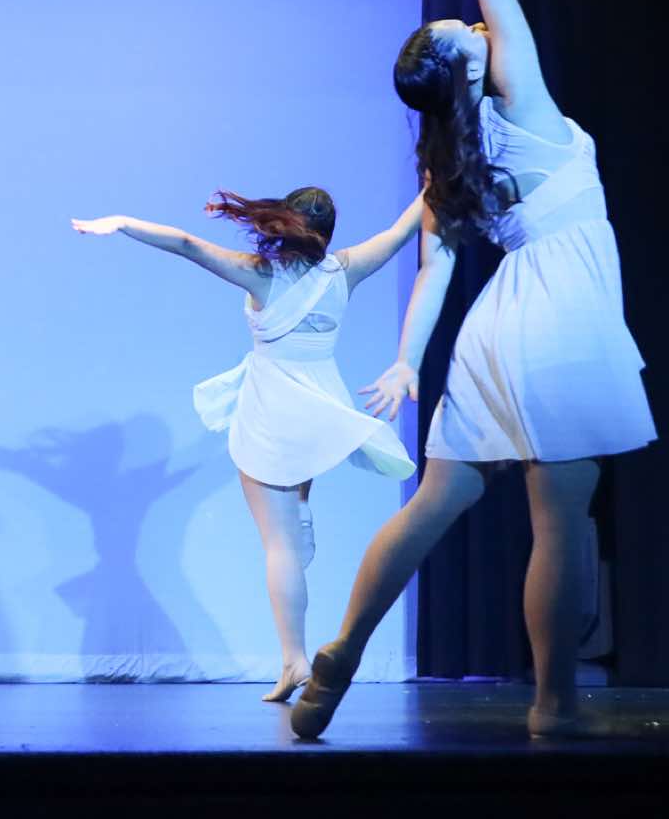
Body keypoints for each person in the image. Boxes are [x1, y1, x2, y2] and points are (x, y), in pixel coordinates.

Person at [292, 0, 655, 741]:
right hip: (559, 316)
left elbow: (436, 271)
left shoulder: (449, 157)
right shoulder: (518, 98)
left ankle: (340, 651)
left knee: (436, 501)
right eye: (461, 26)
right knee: (559, 520)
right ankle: (555, 706)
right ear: (465, 63)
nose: (471, 18)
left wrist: (409, 361)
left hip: (496, 329)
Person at [72, 187, 423, 701]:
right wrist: (436, 184)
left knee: (279, 546)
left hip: (274, 407)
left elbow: (187, 244)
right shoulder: (345, 270)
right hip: (319, 405)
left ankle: (294, 660)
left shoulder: (261, 273)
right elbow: (400, 231)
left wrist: (123, 222)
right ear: (328, 232)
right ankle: (302, 512)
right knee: (293, 517)